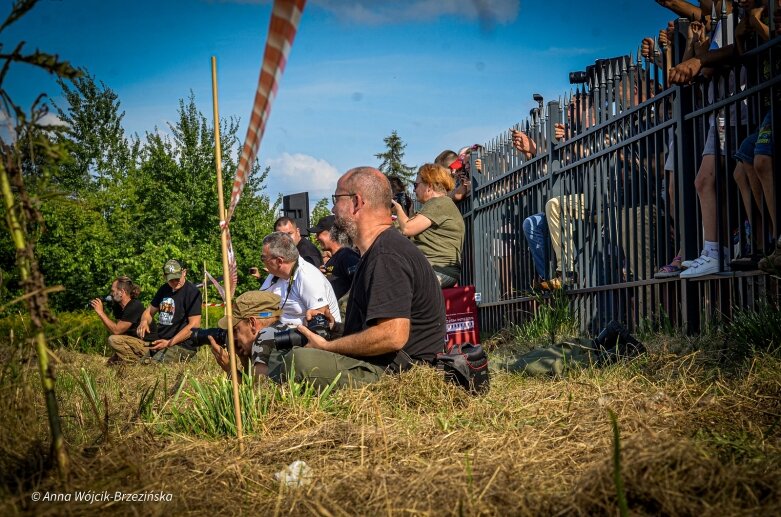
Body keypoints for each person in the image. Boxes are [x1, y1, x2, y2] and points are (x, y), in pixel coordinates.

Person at [271, 166, 446, 390]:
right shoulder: (378, 251)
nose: (333, 208)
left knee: (299, 361)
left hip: (397, 373)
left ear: (357, 202)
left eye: (336, 199)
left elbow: (393, 335)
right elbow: (374, 329)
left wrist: (327, 347)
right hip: (386, 363)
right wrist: (334, 329)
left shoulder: (386, 255)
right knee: (282, 353)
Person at [392, 163, 466, 287]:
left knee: (388, 284)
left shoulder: (438, 204)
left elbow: (407, 229)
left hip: (437, 271)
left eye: (416, 185)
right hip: (434, 269)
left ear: (429, 186)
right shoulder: (438, 205)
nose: (414, 190)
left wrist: (398, 208)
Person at [259, 232, 342, 327]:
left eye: (263, 258)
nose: (262, 262)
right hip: (286, 334)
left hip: (314, 338)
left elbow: (322, 324)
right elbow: (260, 307)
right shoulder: (274, 275)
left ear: (279, 261)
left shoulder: (308, 277)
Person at [208, 291, 285, 380]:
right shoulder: (281, 331)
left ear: (252, 323)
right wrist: (245, 360)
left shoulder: (264, 338)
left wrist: (230, 369)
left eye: (235, 330)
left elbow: (258, 391)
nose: (233, 338)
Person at [137, 259, 202, 363]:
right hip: (162, 341)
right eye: (171, 280)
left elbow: (194, 325)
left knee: (153, 367)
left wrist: (169, 343)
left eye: (177, 278)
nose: (175, 282)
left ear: (184, 272)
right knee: (141, 365)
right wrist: (144, 321)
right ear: (165, 278)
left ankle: (190, 358)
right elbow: (149, 312)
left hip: (183, 345)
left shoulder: (192, 292)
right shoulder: (164, 289)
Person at [90, 276, 148, 364]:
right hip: (135, 343)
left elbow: (116, 331)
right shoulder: (120, 307)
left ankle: (139, 362)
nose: (111, 294)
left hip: (147, 346)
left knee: (113, 339)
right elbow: (121, 333)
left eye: (113, 291)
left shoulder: (134, 306)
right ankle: (129, 360)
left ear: (122, 292)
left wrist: (100, 312)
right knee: (111, 363)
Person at [308, 215, 360, 301]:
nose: (316, 238)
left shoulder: (347, 256)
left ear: (332, 233)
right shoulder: (336, 257)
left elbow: (358, 284)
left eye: (318, 233)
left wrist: (340, 306)